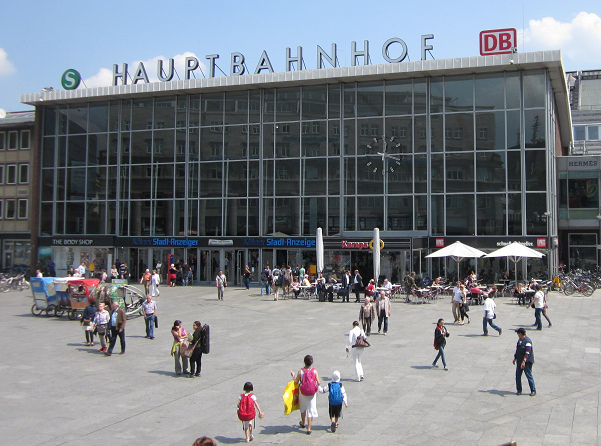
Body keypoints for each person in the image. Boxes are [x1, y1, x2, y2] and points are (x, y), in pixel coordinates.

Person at [290, 355, 321, 435]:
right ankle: (309, 428)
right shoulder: (314, 371)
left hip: (303, 393)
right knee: (310, 410)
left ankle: (303, 423)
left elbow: (296, 382)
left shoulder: (301, 371)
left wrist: (293, 376)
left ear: (304, 362)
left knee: (303, 408)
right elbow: (319, 382)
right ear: (311, 362)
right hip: (312, 394)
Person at [513, 327, 536, 396]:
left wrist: (524, 361)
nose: (517, 334)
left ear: (520, 334)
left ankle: (533, 390)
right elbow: (517, 350)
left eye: (517, 333)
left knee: (529, 375)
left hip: (527, 362)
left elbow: (527, 352)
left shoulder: (528, 341)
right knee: (518, 376)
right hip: (519, 361)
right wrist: (515, 358)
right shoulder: (520, 340)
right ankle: (519, 390)